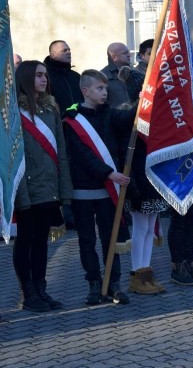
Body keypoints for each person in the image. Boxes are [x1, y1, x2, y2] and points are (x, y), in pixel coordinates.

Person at [62, 69, 134, 305]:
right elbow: (82, 155)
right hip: (84, 188)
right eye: (100, 88)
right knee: (86, 240)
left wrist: (143, 100)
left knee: (110, 238)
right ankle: (94, 283)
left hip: (107, 190)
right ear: (86, 91)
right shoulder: (71, 120)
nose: (105, 92)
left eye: (105, 88)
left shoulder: (109, 114)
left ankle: (113, 284)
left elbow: (129, 119)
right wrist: (109, 173)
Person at [13, 61, 73, 312]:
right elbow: (16, 157)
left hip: (48, 188)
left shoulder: (51, 110)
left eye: (45, 75)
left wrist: (64, 192)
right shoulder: (15, 112)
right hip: (27, 189)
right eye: (38, 75)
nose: (44, 79)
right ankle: (28, 293)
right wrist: (22, 197)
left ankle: (40, 288)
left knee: (41, 242)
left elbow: (60, 153)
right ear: (27, 78)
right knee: (25, 241)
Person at [125, 137, 169, 294]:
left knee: (150, 229)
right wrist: (134, 189)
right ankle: (137, 273)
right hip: (139, 186)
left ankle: (146, 272)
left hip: (153, 183)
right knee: (141, 228)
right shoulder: (134, 131)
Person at [44, 40, 82, 115]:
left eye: (69, 50)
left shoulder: (76, 76)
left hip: (78, 121)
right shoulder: (45, 76)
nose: (69, 52)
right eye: (64, 50)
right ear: (53, 54)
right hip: (57, 121)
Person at [100, 42, 133, 109]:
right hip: (115, 118)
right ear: (114, 57)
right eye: (125, 53)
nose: (129, 55)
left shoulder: (135, 73)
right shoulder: (102, 76)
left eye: (128, 52)